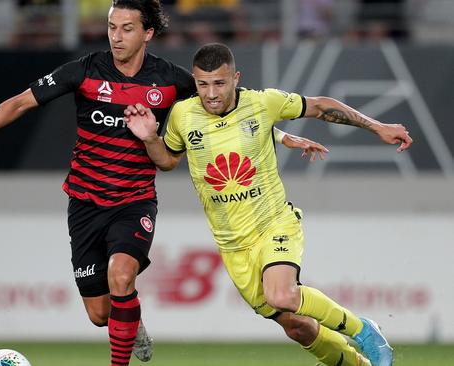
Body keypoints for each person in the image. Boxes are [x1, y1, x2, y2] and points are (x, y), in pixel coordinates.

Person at [0, 2, 325, 365]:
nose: (116, 36)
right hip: (85, 203)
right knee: (99, 313)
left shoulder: (172, 81)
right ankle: (132, 321)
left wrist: (283, 136)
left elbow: (222, 111)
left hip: (134, 201)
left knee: (121, 275)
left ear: (148, 33)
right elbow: (20, 102)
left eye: (126, 28)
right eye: (111, 27)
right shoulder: (84, 71)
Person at [124, 43, 412, 366]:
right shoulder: (182, 115)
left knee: (282, 294)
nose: (211, 94)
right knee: (297, 326)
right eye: (203, 84)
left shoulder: (262, 103)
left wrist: (378, 127)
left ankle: (364, 331)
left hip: (273, 224)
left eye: (219, 83)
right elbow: (167, 160)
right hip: (233, 247)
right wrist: (150, 138)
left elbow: (318, 106)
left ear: (236, 78)